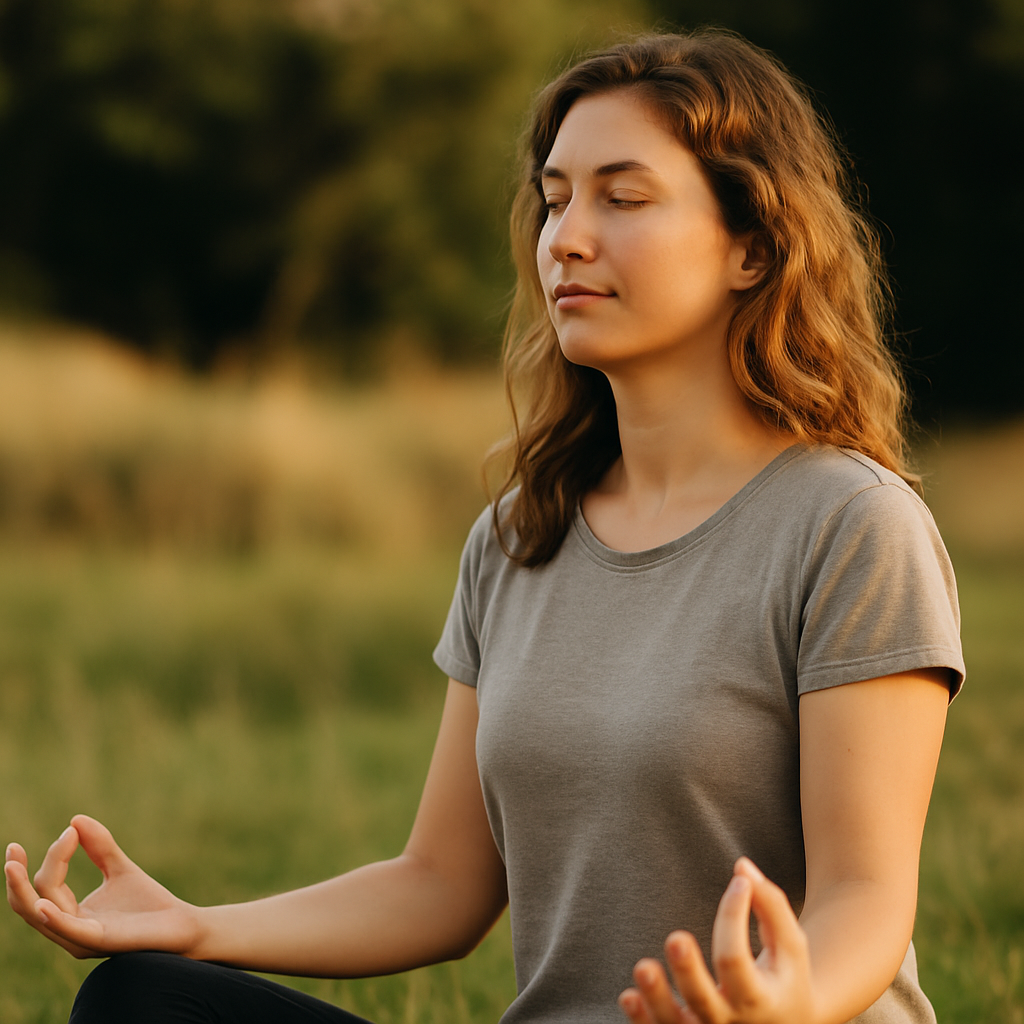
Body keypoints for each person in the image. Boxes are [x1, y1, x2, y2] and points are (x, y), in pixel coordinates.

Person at [5, 28, 963, 1024]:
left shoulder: (850, 525)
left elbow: (865, 897)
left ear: (753, 247)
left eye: (622, 198)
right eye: (555, 202)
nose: (567, 239)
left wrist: (788, 1001)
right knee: (143, 1001)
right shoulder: (519, 535)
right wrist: (192, 924)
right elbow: (442, 882)